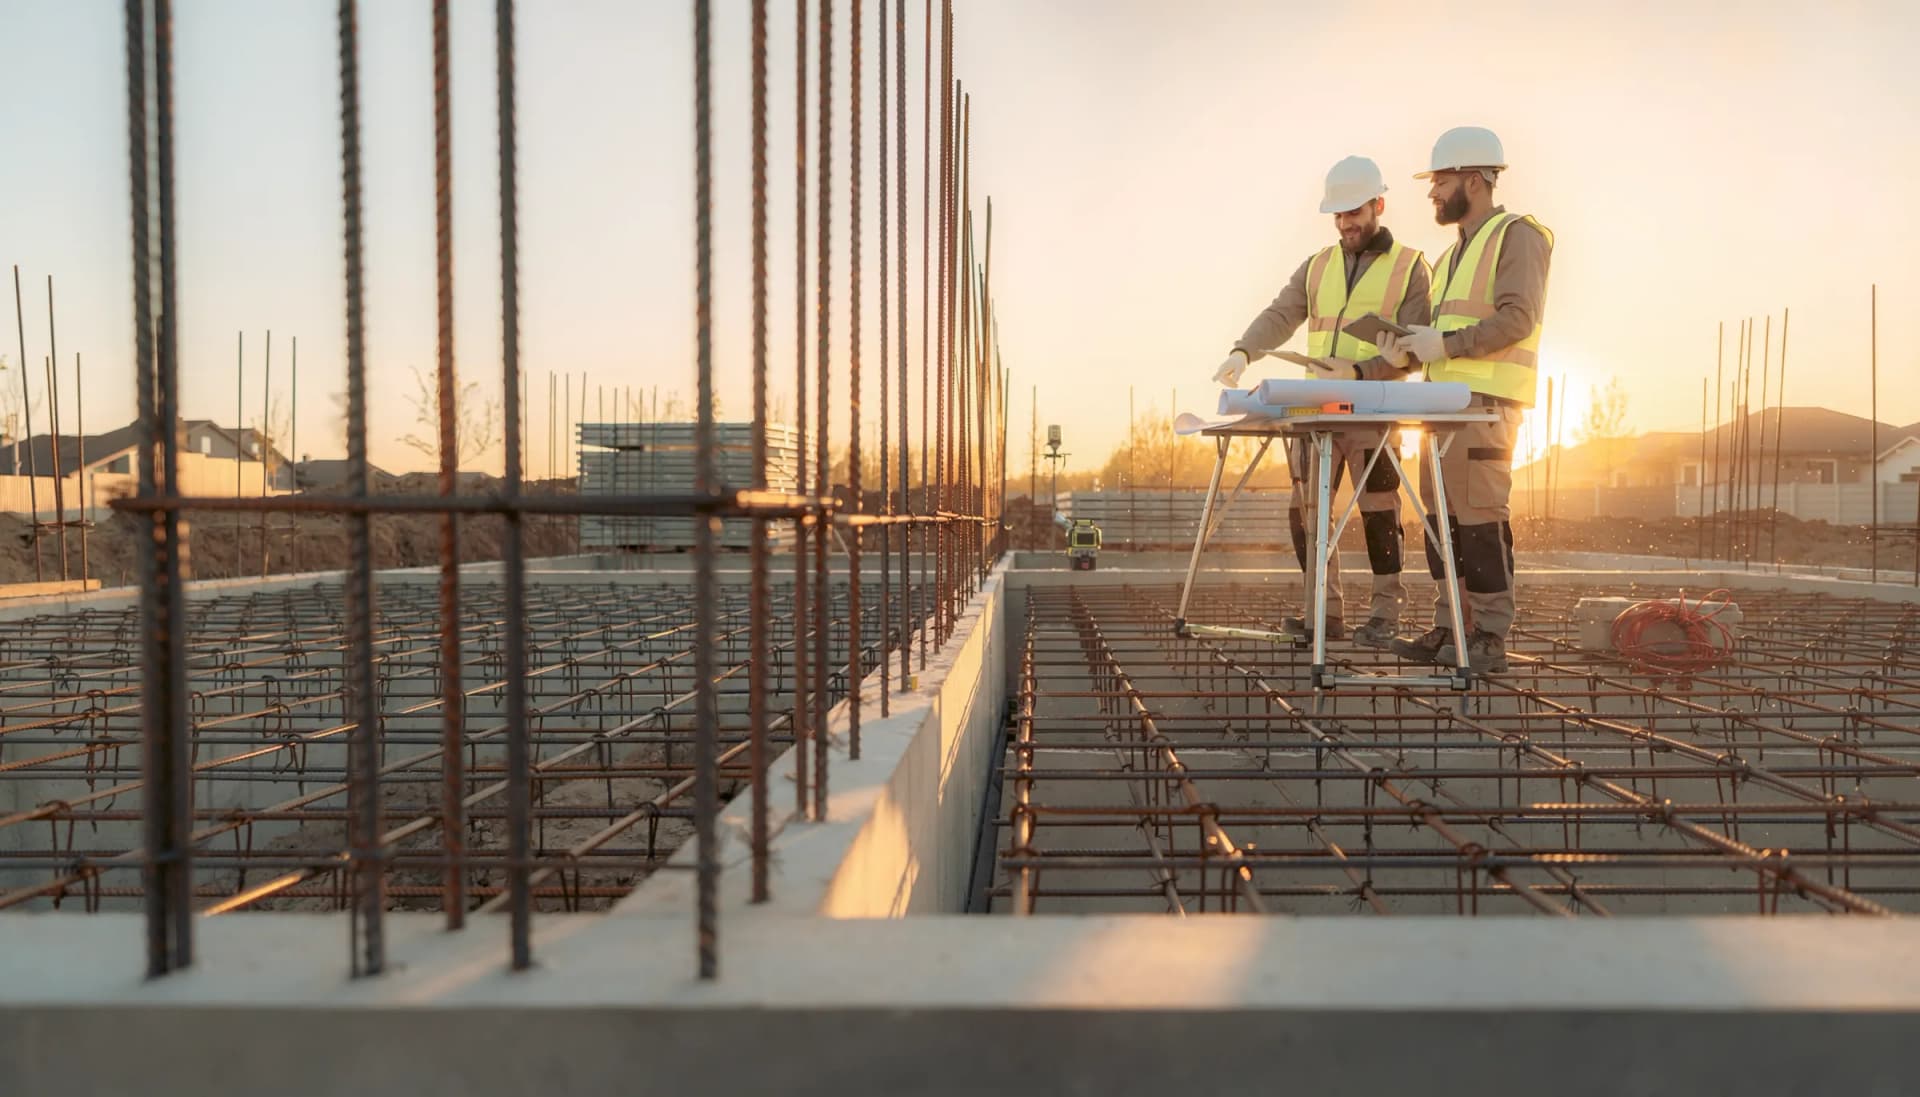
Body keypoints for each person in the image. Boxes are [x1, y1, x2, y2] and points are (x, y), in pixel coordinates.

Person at [1212, 155, 1430, 648]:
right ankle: (1323, 613)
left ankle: (1384, 615)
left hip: (1375, 409)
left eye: (1354, 211)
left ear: (1378, 204)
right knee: (1307, 511)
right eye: (1337, 214)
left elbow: (1413, 350)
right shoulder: (1318, 267)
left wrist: (1361, 372)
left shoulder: (1411, 267)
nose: (1345, 223)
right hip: (1317, 412)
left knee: (1379, 510)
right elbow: (1280, 313)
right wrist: (1243, 351)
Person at [1376, 126, 1553, 674]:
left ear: (1474, 180)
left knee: (1478, 518)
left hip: (1485, 405)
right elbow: (1442, 334)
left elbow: (1518, 318)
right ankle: (1452, 623)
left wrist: (1445, 343)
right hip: (1444, 405)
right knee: (1441, 520)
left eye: (1441, 179)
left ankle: (1490, 635)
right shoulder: (1451, 255)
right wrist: (1405, 345)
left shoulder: (1517, 236)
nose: (1431, 192)